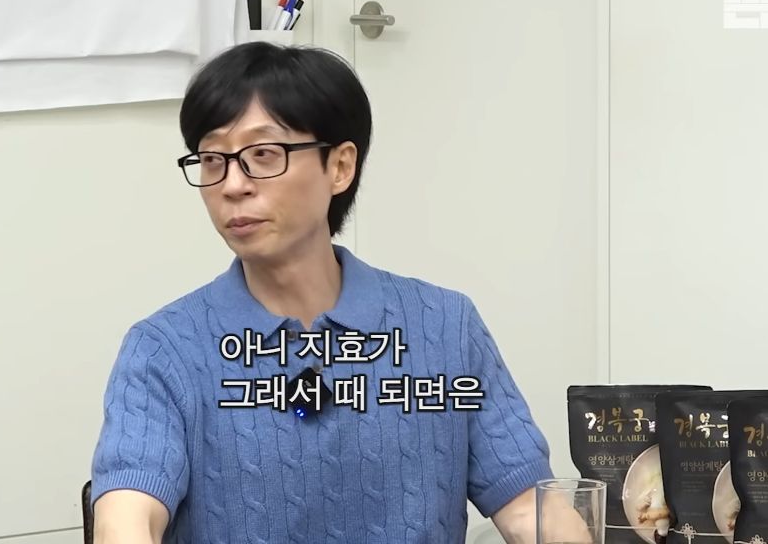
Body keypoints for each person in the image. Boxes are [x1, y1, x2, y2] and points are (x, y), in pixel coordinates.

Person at [89, 41, 582, 543]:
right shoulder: (164, 350)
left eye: (263, 154)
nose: (232, 184)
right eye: (213, 159)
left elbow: (532, 511)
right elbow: (124, 521)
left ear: (340, 167)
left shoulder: (444, 326)